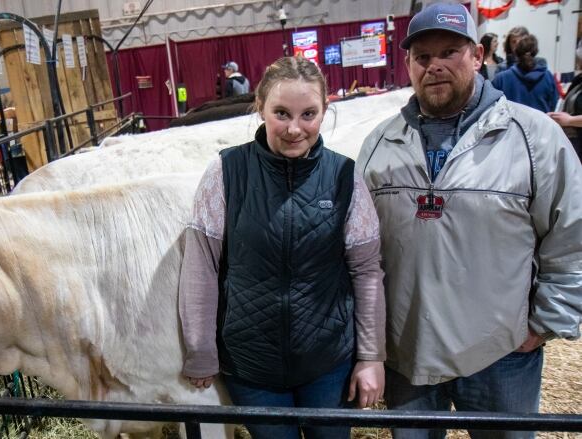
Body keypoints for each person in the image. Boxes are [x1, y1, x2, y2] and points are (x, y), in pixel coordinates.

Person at [357, 3, 582, 438]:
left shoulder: (533, 138)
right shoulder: (379, 144)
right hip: (408, 357)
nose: (435, 66)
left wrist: (543, 325)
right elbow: (360, 250)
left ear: (477, 56)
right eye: (422, 57)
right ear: (407, 64)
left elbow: (571, 236)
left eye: (449, 52)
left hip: (501, 356)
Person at [181, 55, 386, 439]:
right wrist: (201, 351)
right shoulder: (225, 172)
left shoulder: (344, 176)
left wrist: (371, 356)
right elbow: (201, 267)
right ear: (260, 107)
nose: (295, 128)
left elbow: (366, 270)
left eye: (308, 114)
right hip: (251, 367)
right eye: (281, 113)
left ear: (326, 111)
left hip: (328, 363)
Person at [492, 34, 559, 113]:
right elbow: (553, 105)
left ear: (516, 52)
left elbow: (491, 107)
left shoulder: (501, 79)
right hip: (541, 124)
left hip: (509, 124)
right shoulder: (548, 77)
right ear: (536, 51)